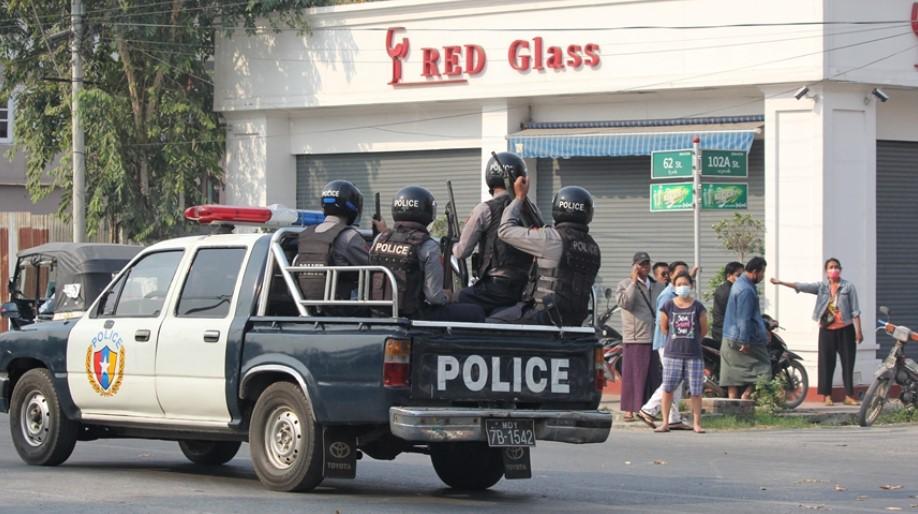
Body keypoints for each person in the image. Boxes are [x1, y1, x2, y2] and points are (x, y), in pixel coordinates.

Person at [486, 179, 601, 327]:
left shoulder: (551, 238)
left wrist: (519, 197)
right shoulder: (593, 248)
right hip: (574, 321)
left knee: (490, 322)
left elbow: (505, 231)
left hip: (543, 316)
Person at [370, 186, 485, 322]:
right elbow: (434, 297)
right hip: (413, 317)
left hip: (377, 314)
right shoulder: (427, 245)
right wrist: (447, 296)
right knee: (476, 312)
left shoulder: (380, 239)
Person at [771, 258, 863, 406]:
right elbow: (802, 286)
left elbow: (856, 311)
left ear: (840, 269)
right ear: (826, 271)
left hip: (846, 329)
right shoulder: (822, 287)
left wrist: (859, 331)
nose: (834, 270)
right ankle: (827, 395)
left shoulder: (848, 287)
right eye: (831, 267)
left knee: (848, 363)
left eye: (836, 267)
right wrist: (781, 282)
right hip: (827, 330)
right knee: (826, 363)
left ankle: (849, 395)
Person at [454, 152, 536, 315]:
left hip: (494, 288)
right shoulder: (532, 211)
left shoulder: (484, 209)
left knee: (455, 299)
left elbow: (462, 251)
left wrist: (451, 245)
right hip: (525, 289)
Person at [294, 180, 380, 316]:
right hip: (344, 311)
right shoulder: (349, 236)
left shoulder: (305, 235)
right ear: (353, 207)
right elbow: (376, 265)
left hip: (308, 309)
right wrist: (382, 237)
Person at [637, 261, 693, 430]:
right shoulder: (667, 296)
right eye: (680, 274)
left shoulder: (678, 295)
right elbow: (664, 323)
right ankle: (648, 409)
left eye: (686, 274)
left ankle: (673, 418)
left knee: (677, 380)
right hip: (667, 343)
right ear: (670, 275)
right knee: (673, 379)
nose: (683, 278)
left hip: (678, 344)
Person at [655, 272, 707, 434]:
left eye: (685, 284)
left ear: (691, 286)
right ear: (674, 286)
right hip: (672, 354)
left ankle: (697, 423)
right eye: (679, 284)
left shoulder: (698, 306)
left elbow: (704, 329)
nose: (682, 287)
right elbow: (664, 328)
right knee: (668, 388)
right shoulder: (668, 306)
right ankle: (665, 422)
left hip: (694, 355)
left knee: (696, 391)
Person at [615, 251, 665, 421]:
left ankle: (648, 409)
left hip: (655, 336)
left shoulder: (657, 285)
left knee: (653, 375)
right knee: (633, 374)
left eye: (647, 264)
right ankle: (629, 410)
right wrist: (633, 283)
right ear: (634, 266)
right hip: (635, 336)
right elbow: (625, 303)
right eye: (641, 264)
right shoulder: (625, 284)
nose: (645, 267)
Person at [720, 257, 771, 400]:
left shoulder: (739, 284)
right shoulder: (746, 290)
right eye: (762, 272)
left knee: (732, 374)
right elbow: (744, 318)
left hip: (729, 336)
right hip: (742, 338)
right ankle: (746, 396)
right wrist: (744, 341)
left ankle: (732, 405)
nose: (763, 276)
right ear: (755, 271)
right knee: (764, 368)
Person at [712, 261, 745, 343]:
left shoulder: (730, 288)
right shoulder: (727, 291)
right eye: (738, 275)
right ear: (728, 276)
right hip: (725, 334)